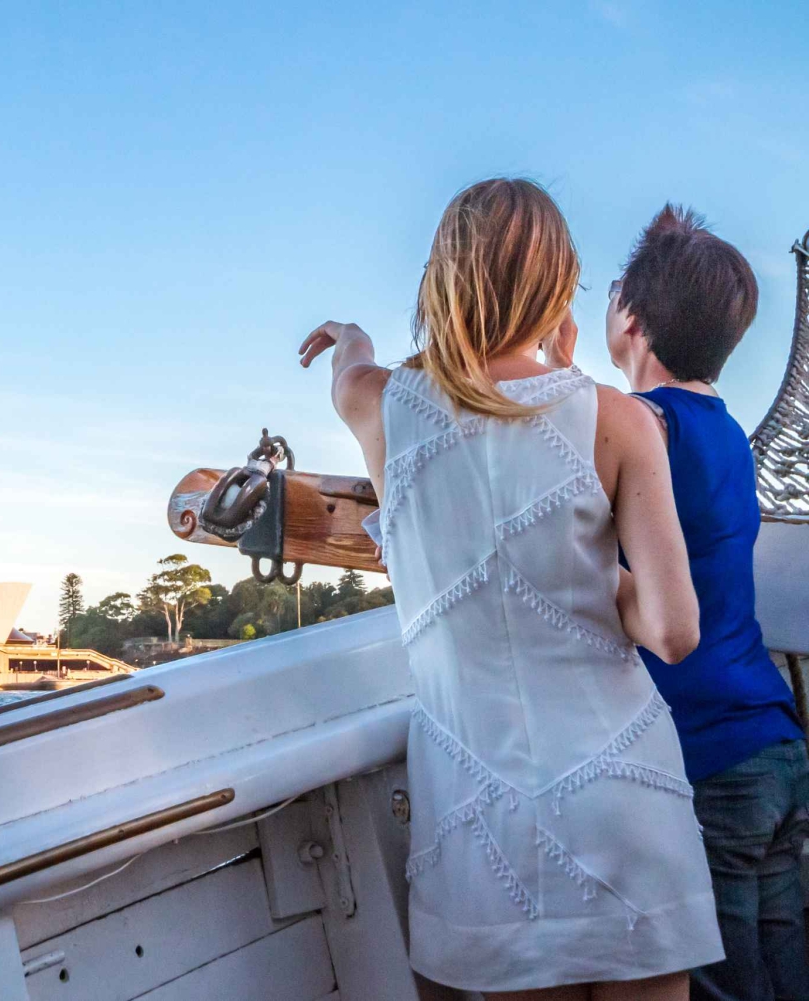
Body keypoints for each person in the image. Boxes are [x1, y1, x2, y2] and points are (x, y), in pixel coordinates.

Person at [299, 178, 722, 1000]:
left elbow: (353, 366)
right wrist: (585, 572)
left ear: (444, 278)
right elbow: (674, 630)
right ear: (559, 288)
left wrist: (351, 335)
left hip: (479, 815)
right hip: (624, 797)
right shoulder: (618, 420)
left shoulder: (378, 405)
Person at [604, 206, 808, 1001]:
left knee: (723, 986)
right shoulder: (722, 430)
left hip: (714, 763)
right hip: (775, 741)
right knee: (785, 969)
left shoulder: (645, 423)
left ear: (630, 318)